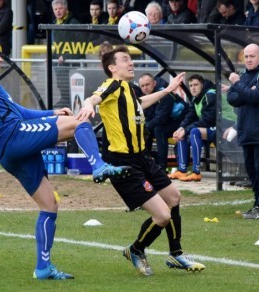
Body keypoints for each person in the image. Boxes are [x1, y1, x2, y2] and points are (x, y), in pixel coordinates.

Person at [0, 39, 129, 280]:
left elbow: (20, 112)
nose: (0, 58)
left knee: (49, 204)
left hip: (9, 151)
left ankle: (43, 268)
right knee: (81, 122)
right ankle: (99, 166)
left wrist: (52, 113)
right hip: (14, 136)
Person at [77, 45, 205, 276]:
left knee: (174, 197)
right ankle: (136, 250)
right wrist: (87, 106)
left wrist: (168, 90)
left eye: (131, 59)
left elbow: (142, 103)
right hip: (123, 163)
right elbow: (94, 98)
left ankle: (176, 254)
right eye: (125, 59)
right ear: (112, 67)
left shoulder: (128, 89)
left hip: (143, 158)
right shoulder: (112, 85)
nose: (131, 63)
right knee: (162, 216)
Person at [227, 43, 259, 219]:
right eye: (246, 56)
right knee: (252, 171)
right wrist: (245, 90)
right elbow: (233, 98)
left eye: (252, 56)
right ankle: (257, 203)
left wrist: (237, 84)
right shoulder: (244, 75)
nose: (248, 59)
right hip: (247, 131)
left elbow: (254, 96)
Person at [169, 74, 216, 182]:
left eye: (196, 85)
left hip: (222, 127)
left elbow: (207, 120)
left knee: (194, 131)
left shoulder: (210, 95)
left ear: (202, 85)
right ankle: (182, 170)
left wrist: (186, 130)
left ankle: (196, 172)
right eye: (190, 85)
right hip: (207, 128)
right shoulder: (195, 98)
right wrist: (181, 129)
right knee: (182, 134)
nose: (193, 88)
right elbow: (189, 117)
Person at [138, 73, 187, 171]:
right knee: (144, 130)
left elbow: (161, 118)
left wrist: (146, 126)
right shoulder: (146, 96)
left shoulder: (163, 94)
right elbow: (145, 116)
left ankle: (162, 166)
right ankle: (145, 163)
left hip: (180, 122)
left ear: (154, 83)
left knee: (158, 130)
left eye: (147, 84)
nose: (145, 88)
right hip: (165, 122)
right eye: (142, 86)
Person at [51, 0, 85, 108]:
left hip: (73, 63)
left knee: (73, 86)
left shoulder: (74, 24)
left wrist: (65, 57)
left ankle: (73, 104)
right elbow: (56, 45)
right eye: (55, 9)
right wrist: (51, 56)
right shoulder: (54, 24)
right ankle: (64, 101)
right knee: (61, 84)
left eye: (60, 9)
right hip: (60, 63)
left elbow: (81, 45)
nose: (58, 11)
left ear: (66, 9)